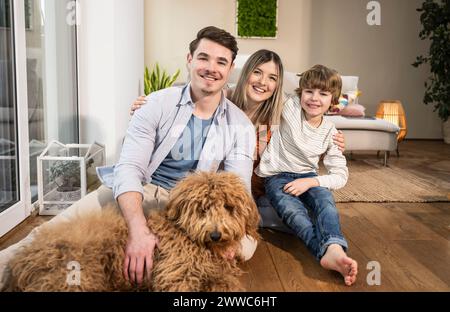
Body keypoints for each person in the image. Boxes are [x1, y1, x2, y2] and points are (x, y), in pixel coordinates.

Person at [0, 26, 257, 288]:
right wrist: (137, 229)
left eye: (221, 61)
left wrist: (232, 238)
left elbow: (239, 187)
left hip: (191, 205)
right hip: (140, 188)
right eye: (204, 57)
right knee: (46, 233)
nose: (211, 68)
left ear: (230, 68)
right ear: (190, 59)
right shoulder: (155, 104)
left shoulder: (241, 126)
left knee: (246, 246)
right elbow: (130, 167)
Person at [131, 50, 346, 230]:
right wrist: (149, 102)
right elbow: (189, 94)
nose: (263, 82)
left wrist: (332, 138)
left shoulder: (275, 114)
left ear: (277, 85)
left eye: (272, 78)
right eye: (257, 73)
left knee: (293, 214)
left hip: (247, 186)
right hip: (205, 181)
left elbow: (314, 106)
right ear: (246, 73)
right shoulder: (223, 97)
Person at [255, 64, 358, 286]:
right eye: (309, 91)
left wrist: (311, 181)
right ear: (300, 93)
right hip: (277, 176)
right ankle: (328, 252)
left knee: (326, 202)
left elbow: (340, 175)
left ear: (333, 101)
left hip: (309, 177)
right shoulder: (289, 107)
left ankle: (334, 247)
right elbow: (266, 89)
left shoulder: (331, 132)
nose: (314, 98)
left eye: (323, 94)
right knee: (294, 212)